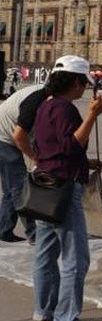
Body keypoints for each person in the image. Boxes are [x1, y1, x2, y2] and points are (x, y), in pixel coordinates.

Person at [32, 55, 102, 321]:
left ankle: (44, 312)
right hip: (64, 188)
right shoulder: (66, 109)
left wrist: (86, 164)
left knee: (45, 253)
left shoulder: (44, 106)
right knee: (76, 258)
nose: (84, 89)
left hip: (43, 185)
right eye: (83, 83)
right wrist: (91, 116)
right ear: (75, 81)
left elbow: (50, 149)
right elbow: (72, 145)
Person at [0, 79, 49, 243]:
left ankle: (4, 229)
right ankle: (34, 233)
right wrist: (34, 158)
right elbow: (19, 136)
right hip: (4, 138)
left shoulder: (46, 95)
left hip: (8, 134)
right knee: (20, 187)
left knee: (10, 188)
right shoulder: (38, 99)